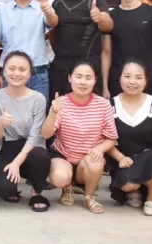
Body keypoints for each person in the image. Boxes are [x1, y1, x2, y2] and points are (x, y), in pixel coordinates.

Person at [42, 61, 117, 214]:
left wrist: (99, 149)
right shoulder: (60, 103)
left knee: (95, 161)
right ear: (70, 78)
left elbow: (111, 138)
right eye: (79, 76)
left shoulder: (103, 105)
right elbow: (45, 134)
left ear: (95, 80)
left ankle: (89, 196)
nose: (83, 82)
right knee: (59, 177)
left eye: (88, 77)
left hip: (88, 158)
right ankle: (67, 186)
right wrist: (53, 112)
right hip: (63, 155)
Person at [108, 60, 152, 216]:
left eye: (138, 77)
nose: (132, 82)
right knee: (127, 186)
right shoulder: (111, 105)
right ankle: (135, 190)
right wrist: (120, 158)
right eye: (127, 76)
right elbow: (105, 140)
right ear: (120, 78)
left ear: (146, 81)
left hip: (151, 158)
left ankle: (151, 199)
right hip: (125, 160)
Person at [0, 52, 52, 212]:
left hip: (32, 148)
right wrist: (0, 123)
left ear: (29, 74)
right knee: (3, 189)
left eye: (22, 69)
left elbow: (36, 135)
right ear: (4, 71)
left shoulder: (38, 99)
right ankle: (12, 186)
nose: (16, 73)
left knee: (41, 157)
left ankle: (36, 192)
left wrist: (17, 163)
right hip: (8, 146)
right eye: (12, 68)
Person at [49, 0, 113, 105]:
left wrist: (100, 18)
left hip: (88, 68)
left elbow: (108, 26)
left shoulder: (96, 1)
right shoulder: (57, 3)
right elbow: (53, 36)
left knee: (89, 111)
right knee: (59, 109)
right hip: (60, 68)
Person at [0, 0, 56, 98]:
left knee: (39, 110)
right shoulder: (1, 11)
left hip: (37, 72)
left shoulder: (43, 8)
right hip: (9, 73)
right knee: (9, 110)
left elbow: (53, 23)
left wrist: (48, 12)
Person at [102, 0, 152, 99]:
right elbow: (106, 52)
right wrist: (104, 85)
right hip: (118, 78)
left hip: (147, 77)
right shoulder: (110, 16)